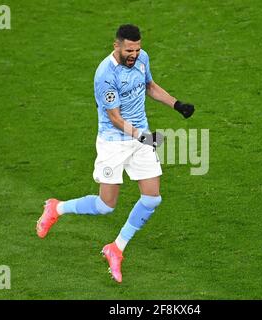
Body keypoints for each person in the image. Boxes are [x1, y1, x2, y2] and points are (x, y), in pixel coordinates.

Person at [36, 24, 195, 283]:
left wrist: (177, 104)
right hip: (114, 142)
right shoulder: (105, 75)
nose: (134, 54)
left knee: (152, 199)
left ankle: (116, 248)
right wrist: (146, 138)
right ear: (116, 46)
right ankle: (57, 208)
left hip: (140, 136)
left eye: (138, 49)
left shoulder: (142, 59)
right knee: (105, 206)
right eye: (129, 50)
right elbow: (115, 118)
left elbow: (150, 86)